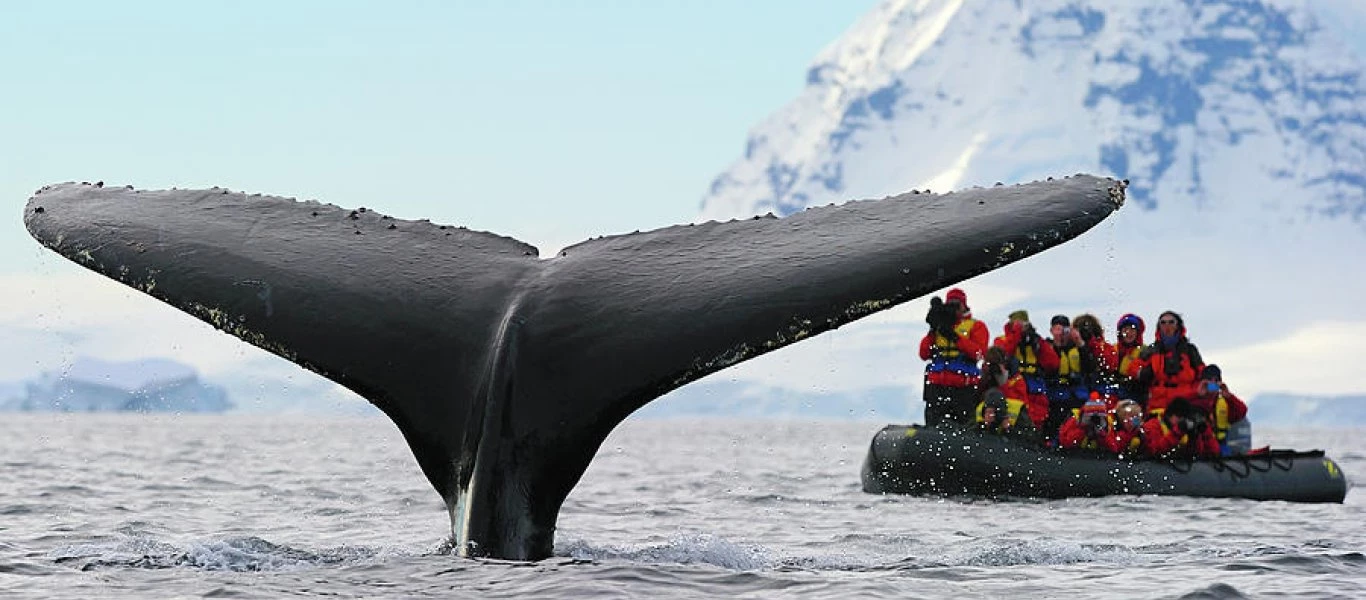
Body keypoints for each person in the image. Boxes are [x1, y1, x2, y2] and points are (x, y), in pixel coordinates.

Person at [919, 288, 989, 427]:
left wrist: (955, 338)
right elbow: (923, 354)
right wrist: (933, 329)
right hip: (937, 388)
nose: (953, 308)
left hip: (963, 389)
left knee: (966, 428)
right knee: (933, 427)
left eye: (956, 304)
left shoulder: (976, 326)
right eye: (950, 304)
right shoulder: (939, 327)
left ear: (964, 306)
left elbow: (979, 353)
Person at [991, 309, 1058, 428]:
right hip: (1012, 388)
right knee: (1013, 421)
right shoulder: (1001, 340)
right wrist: (1016, 333)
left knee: (1036, 424)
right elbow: (1004, 354)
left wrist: (1037, 342)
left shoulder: (1036, 342)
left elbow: (1053, 363)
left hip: (1035, 390)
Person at [1135, 311, 1204, 416]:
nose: (1167, 325)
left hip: (1185, 402)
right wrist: (1143, 373)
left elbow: (1203, 373)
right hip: (1158, 403)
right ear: (1159, 327)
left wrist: (1206, 388)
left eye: (1171, 322)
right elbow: (1133, 368)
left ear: (1178, 326)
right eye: (1163, 322)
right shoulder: (1151, 350)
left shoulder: (1189, 350)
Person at [1043, 315, 1096, 438]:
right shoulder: (1048, 348)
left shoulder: (1078, 348)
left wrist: (1079, 342)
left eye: (1064, 330)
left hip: (1077, 395)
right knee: (1053, 421)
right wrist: (1057, 346)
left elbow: (1090, 367)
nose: (1061, 333)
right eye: (1057, 329)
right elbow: (1048, 367)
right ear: (1051, 331)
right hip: (1054, 394)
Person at [1190, 364, 1250, 455]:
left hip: (1221, 446)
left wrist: (1229, 397)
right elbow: (1181, 406)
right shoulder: (1195, 400)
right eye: (1209, 380)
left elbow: (1242, 411)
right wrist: (1197, 394)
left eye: (1216, 380)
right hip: (1199, 447)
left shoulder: (1225, 402)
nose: (1213, 383)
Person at [1140, 397, 1221, 458]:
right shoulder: (1152, 426)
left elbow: (1204, 454)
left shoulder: (1183, 429)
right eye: (1179, 417)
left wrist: (1197, 436)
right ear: (1169, 415)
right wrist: (1177, 432)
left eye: (1184, 418)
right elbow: (1154, 452)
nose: (1181, 421)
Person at [1073, 313, 1118, 403]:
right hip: (1081, 392)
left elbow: (1110, 365)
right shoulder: (1072, 349)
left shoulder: (1104, 348)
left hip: (1101, 391)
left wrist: (1090, 344)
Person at [976, 388, 1041, 443]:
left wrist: (1009, 428)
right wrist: (984, 427)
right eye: (988, 412)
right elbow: (972, 435)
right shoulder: (980, 409)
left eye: (995, 412)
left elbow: (1032, 437)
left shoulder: (1017, 409)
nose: (991, 415)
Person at [1113, 314, 1148, 404]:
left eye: (1132, 329)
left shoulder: (1145, 351)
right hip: (1114, 392)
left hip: (1135, 393)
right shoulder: (1112, 350)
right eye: (1125, 329)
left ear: (1138, 332)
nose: (1128, 332)